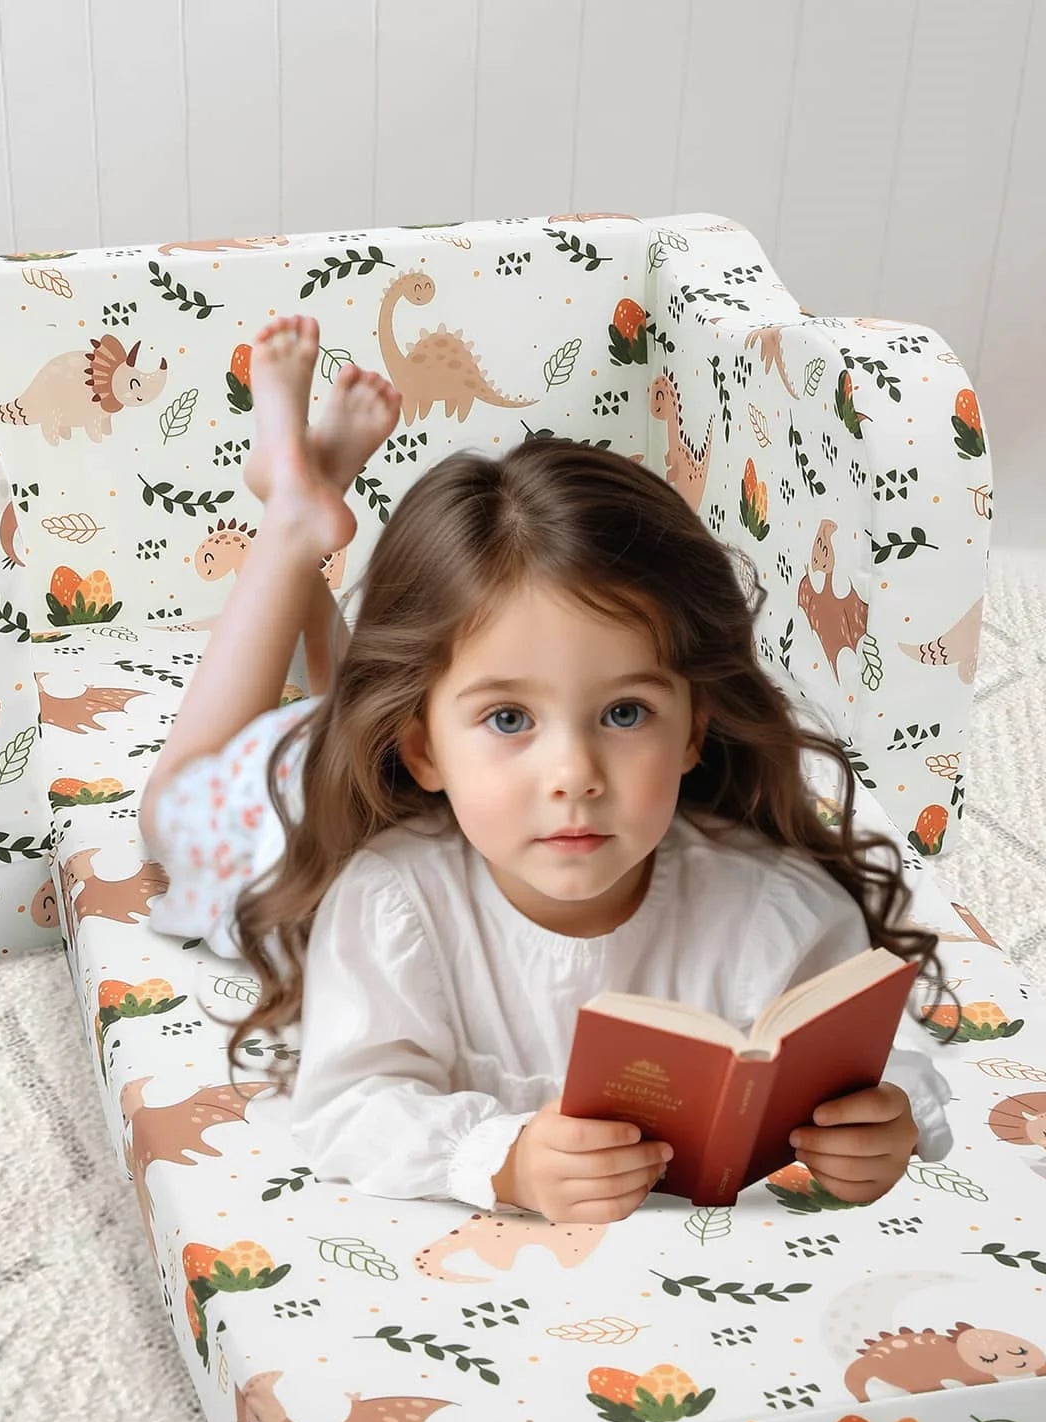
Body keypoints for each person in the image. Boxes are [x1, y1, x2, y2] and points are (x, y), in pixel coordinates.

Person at [140, 313, 962, 1226]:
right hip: (280, 821)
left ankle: (318, 518)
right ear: (423, 749)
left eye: (624, 713)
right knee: (176, 800)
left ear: (694, 728)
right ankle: (292, 526)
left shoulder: (773, 912)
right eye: (510, 718)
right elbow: (346, 1107)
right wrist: (506, 1160)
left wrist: (887, 1119)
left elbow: (870, 1061)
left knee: (367, 685)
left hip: (408, 733)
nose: (573, 773)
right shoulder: (387, 902)